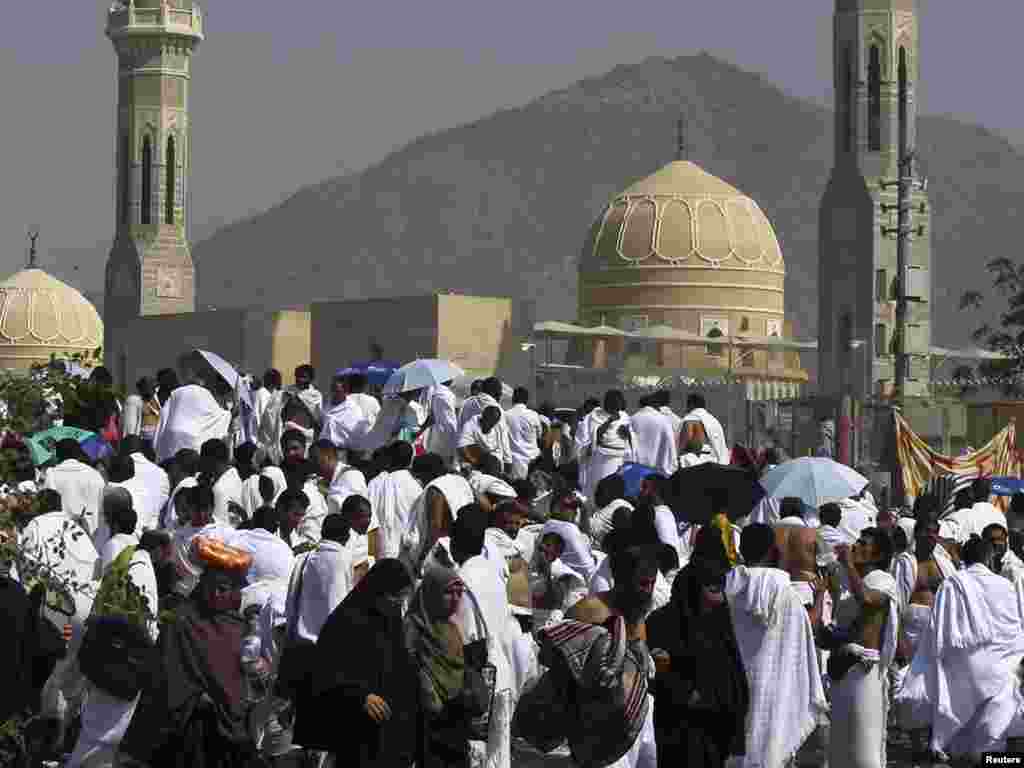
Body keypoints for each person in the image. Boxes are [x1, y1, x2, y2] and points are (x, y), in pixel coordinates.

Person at [896, 536, 1024, 761]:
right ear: (989, 556)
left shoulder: (952, 584)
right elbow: (1015, 632)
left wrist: (926, 663)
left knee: (962, 738)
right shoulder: (1005, 585)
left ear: (964, 558)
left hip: (964, 672)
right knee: (995, 734)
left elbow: (940, 632)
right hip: (1002, 670)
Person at [122, 560, 258, 767]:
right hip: (182, 728)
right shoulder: (181, 619)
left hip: (222, 735)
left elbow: (238, 680)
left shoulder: (238, 627)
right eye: (214, 587)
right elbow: (164, 674)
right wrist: (195, 695)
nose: (217, 595)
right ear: (203, 585)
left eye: (225, 589)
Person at [67, 495, 158, 768]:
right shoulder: (142, 555)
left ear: (110, 521)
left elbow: (104, 595)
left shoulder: (113, 548)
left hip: (113, 646)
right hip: (135, 655)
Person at [725, 524, 827, 768]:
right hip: (772, 693)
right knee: (769, 751)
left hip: (732, 690)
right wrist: (821, 596)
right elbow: (807, 628)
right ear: (773, 552)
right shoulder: (785, 595)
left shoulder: (726, 588)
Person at [302, 559, 418, 767]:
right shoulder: (345, 621)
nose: (398, 603)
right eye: (394, 596)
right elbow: (325, 673)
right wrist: (360, 696)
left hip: (389, 738)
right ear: (378, 590)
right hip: (355, 736)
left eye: (402, 598)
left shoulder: (391, 620)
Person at [647, 557, 748, 768]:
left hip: (717, 730)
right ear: (692, 590)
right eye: (713, 590)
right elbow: (654, 672)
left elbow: (736, 676)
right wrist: (687, 693)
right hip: (677, 727)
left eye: (722, 590)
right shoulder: (661, 623)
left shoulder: (724, 623)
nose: (720, 598)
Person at [564, 546, 658, 768]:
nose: (649, 590)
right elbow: (556, 658)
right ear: (623, 579)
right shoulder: (589, 609)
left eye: (652, 584)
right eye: (643, 584)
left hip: (639, 714)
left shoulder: (637, 611)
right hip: (599, 722)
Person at [824, 528, 899, 768]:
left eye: (863, 543)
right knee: (839, 751)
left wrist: (848, 565)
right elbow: (845, 628)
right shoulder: (850, 583)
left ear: (878, 555)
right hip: (841, 670)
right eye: (856, 541)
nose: (855, 546)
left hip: (863, 674)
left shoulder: (882, 580)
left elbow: (867, 599)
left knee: (864, 752)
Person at [406, 565, 474, 768]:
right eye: (448, 593)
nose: (455, 599)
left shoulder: (453, 628)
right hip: (425, 722)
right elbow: (407, 667)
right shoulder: (414, 626)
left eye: (459, 593)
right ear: (432, 592)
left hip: (454, 721)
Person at [152, 369, 232, 463]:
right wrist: (229, 414)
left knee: (170, 464)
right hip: (192, 437)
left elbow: (165, 413)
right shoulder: (205, 393)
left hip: (172, 434)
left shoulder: (177, 392)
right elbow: (216, 415)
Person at [368, 442, 426, 560]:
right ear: (410, 460)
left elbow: (370, 523)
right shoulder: (417, 487)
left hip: (381, 555)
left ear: (389, 459)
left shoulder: (375, 484)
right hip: (408, 557)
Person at [44, 438, 105, 538]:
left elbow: (47, 506)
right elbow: (101, 507)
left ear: (58, 454)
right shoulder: (95, 475)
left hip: (59, 535)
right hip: (91, 535)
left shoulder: (51, 474)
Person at [581, 390, 634, 505]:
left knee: (616, 490)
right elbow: (595, 436)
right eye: (614, 403)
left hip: (620, 458)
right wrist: (610, 421)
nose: (617, 406)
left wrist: (627, 433)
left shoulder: (624, 416)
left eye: (619, 403)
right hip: (602, 458)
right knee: (601, 487)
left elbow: (631, 437)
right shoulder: (595, 416)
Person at [321, 372, 374, 461]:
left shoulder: (353, 409)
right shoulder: (326, 405)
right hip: (323, 450)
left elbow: (357, 432)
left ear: (345, 391)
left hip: (340, 452)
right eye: (332, 389)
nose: (334, 393)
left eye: (337, 390)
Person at [630, 394, 678, 477]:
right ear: (655, 405)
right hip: (659, 471)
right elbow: (670, 444)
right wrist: (673, 465)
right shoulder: (664, 419)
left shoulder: (632, 419)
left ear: (640, 405)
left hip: (636, 469)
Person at [457, 405, 512, 473]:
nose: (489, 426)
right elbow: (462, 446)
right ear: (482, 418)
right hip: (476, 462)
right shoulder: (471, 425)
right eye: (487, 422)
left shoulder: (499, 428)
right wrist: (482, 458)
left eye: (491, 425)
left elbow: (505, 449)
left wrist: (507, 466)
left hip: (494, 464)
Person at [504, 387, 543, 481]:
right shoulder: (534, 415)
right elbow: (539, 435)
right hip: (533, 461)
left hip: (514, 463)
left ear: (513, 399)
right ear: (526, 400)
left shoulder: (505, 415)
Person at [681, 393, 728, 465]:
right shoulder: (714, 420)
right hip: (717, 466)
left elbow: (684, 445)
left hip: (696, 467)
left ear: (691, 405)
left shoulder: (691, 418)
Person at [423, 379, 460, 465]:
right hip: (446, 432)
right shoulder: (446, 394)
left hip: (433, 432)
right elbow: (450, 418)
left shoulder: (431, 390)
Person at [121, 377, 162, 447]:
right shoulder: (134, 401)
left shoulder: (155, 400)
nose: (155, 391)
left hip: (156, 439)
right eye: (153, 388)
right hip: (142, 441)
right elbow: (130, 426)